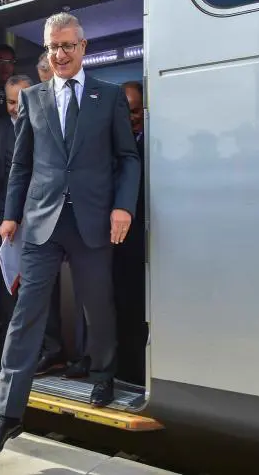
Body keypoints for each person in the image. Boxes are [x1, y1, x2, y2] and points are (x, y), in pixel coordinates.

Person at [0, 12, 140, 461]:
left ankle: (103, 375)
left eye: (67, 46)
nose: (59, 54)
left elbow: (128, 158)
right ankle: (5, 416)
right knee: (25, 315)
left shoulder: (107, 97)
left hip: (92, 222)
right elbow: (21, 164)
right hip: (41, 223)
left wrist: (123, 206)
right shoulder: (33, 99)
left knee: (97, 306)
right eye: (52, 47)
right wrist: (10, 215)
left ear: (83, 48)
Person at [0, 75, 67, 371]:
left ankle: (52, 348)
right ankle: (17, 350)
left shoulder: (49, 122)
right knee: (10, 283)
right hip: (4, 216)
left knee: (43, 285)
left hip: (40, 215)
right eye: (10, 102)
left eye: (21, 101)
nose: (16, 108)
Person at [113, 80, 147, 385]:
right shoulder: (111, 143)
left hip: (143, 241)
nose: (131, 117)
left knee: (138, 308)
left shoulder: (153, 143)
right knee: (120, 307)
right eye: (126, 111)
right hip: (116, 243)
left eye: (135, 111)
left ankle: (136, 372)